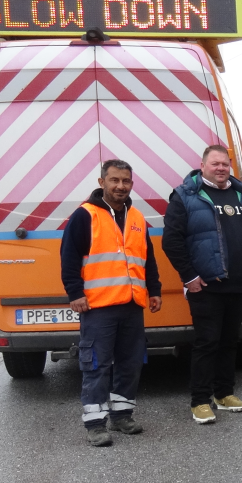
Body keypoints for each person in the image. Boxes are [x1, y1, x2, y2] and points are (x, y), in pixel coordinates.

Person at [162, 145, 242, 425]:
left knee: (229, 342)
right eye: (215, 164)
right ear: (202, 165)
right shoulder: (186, 196)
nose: (221, 168)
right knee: (206, 343)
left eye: (225, 164)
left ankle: (224, 394)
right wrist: (189, 277)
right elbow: (171, 242)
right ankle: (200, 400)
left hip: (239, 284)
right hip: (206, 286)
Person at [60, 159, 162, 446]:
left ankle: (121, 417)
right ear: (101, 182)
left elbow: (148, 259)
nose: (120, 186)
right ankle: (95, 424)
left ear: (131, 183)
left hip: (131, 305)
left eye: (125, 181)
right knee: (97, 366)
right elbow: (68, 258)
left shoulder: (137, 217)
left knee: (130, 364)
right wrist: (74, 293)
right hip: (98, 307)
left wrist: (154, 290)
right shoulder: (84, 216)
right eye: (114, 180)